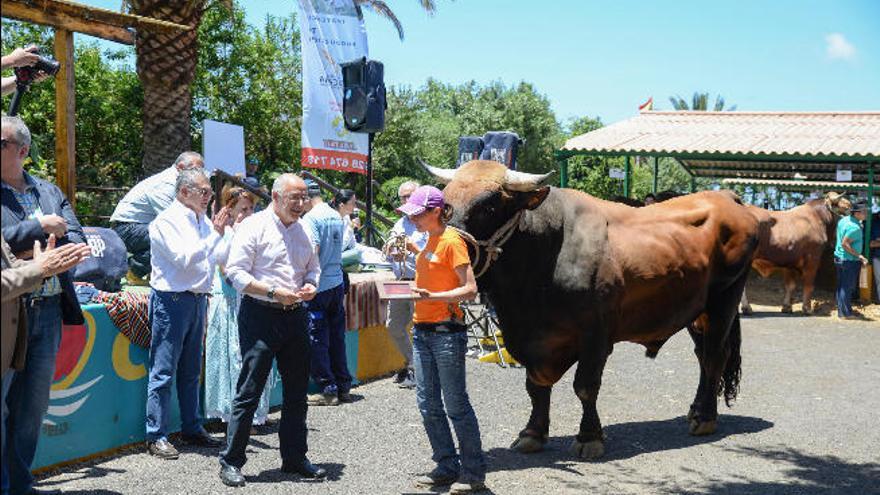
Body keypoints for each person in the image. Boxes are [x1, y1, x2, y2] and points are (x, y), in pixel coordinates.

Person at [1, 115, 89, 495]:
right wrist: (41, 229)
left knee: (30, 411)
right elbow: (4, 239)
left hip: (48, 310)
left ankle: (19, 484)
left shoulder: (49, 191)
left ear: (22, 150)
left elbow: (77, 239)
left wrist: (40, 243)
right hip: (9, 313)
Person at [218, 174, 323, 487]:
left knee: (296, 392)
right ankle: (231, 461)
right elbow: (235, 273)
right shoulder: (253, 226)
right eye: (295, 198)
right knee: (249, 391)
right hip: (261, 313)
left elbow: (313, 268)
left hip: (295, 315)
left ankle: (294, 457)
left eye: (304, 198)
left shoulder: (305, 227)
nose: (302, 204)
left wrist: (311, 285)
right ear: (276, 197)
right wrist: (274, 291)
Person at [398, 185, 487, 494]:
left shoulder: (452, 241)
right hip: (423, 330)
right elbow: (431, 272)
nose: (413, 220)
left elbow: (470, 289)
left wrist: (432, 295)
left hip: (446, 332)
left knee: (455, 404)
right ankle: (446, 465)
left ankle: (473, 472)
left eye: (418, 214)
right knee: (427, 403)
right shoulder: (430, 240)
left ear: (436, 211)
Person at [145, 169, 228, 460]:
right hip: (172, 299)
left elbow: (216, 254)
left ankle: (191, 427)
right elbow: (183, 258)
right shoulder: (165, 221)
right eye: (203, 191)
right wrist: (214, 237)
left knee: (192, 370)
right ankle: (156, 434)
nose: (209, 196)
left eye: (209, 192)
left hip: (195, 299)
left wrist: (222, 236)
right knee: (164, 370)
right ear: (184, 192)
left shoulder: (201, 219)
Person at [204, 187, 269, 425]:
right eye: (243, 209)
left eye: (251, 208)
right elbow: (225, 269)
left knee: (249, 358)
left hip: (247, 299)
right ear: (229, 210)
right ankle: (232, 414)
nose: (249, 213)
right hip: (230, 301)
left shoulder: (251, 233)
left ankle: (251, 412)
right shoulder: (225, 233)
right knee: (231, 359)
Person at [109, 151, 205, 279]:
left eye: (201, 170)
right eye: (196, 170)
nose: (200, 174)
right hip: (126, 229)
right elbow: (172, 219)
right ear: (181, 168)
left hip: (138, 228)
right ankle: (134, 270)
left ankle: (150, 272)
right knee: (169, 233)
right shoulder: (166, 184)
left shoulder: (178, 183)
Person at [302, 181, 353, 406]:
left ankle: (328, 387)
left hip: (319, 285)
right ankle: (343, 385)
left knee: (317, 338)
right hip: (336, 283)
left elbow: (313, 251)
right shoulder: (335, 215)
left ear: (306, 198)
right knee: (336, 336)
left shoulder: (311, 219)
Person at [382, 180, 428, 388]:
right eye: (403, 197)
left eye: (410, 195)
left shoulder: (427, 221)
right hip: (401, 280)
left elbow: (434, 256)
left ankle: (421, 370)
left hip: (422, 282)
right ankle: (413, 364)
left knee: (421, 327)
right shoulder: (399, 224)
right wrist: (393, 254)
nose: (407, 200)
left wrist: (413, 249)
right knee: (394, 326)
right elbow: (389, 254)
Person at [833, 199, 869, 319]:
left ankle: (841, 311)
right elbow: (845, 243)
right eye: (864, 211)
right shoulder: (855, 228)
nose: (866, 213)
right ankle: (845, 314)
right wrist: (859, 256)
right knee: (847, 287)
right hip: (849, 260)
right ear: (857, 213)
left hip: (839, 258)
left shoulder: (843, 220)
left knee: (841, 285)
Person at [870, 206, 880, 304]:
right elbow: (871, 244)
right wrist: (876, 242)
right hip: (877, 257)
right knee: (879, 281)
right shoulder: (875, 224)